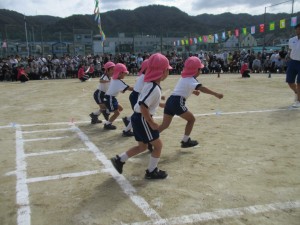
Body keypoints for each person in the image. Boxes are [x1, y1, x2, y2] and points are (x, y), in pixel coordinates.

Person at [111, 53, 172, 179]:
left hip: (138, 118)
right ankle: (151, 171)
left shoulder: (149, 84)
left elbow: (144, 102)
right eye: (167, 70)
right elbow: (143, 105)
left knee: (142, 146)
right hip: (143, 119)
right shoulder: (154, 87)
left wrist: (158, 105)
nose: (168, 72)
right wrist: (151, 122)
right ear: (162, 72)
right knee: (158, 145)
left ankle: (120, 159)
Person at [158, 56, 224, 148]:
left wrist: (193, 91)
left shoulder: (183, 78)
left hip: (171, 100)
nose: (200, 71)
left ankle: (149, 139)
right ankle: (185, 141)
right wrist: (215, 94)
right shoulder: (191, 80)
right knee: (191, 119)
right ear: (195, 70)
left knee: (164, 125)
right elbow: (202, 88)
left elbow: (182, 88)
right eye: (199, 69)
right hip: (178, 101)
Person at [103, 63, 133, 131]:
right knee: (117, 113)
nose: (125, 75)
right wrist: (139, 89)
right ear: (120, 73)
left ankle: (108, 111)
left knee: (120, 108)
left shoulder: (115, 79)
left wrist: (122, 90)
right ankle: (107, 124)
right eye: (124, 73)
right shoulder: (118, 81)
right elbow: (130, 88)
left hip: (110, 98)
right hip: (109, 98)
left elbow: (119, 88)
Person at [286, 23, 300, 108]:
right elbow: (291, 49)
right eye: (298, 29)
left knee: (299, 82)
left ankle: (298, 101)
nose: (299, 30)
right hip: (293, 62)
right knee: (290, 81)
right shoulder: (291, 40)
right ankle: (297, 93)